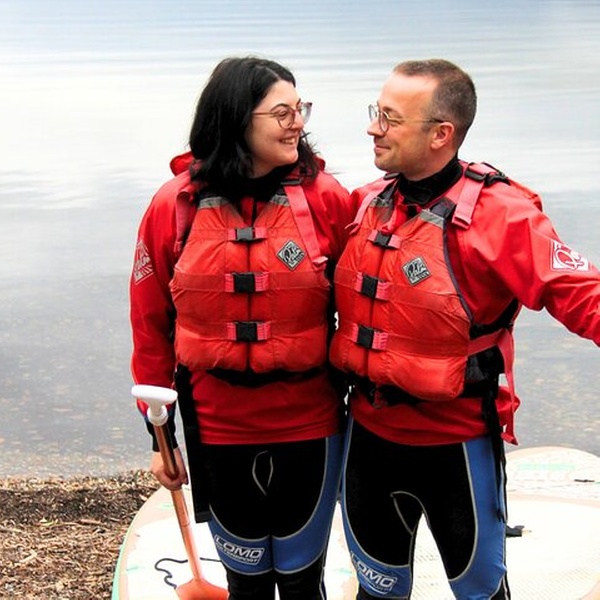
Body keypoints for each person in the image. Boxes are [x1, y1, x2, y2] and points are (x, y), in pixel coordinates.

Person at [330, 58, 600, 599]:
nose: (372, 128)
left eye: (390, 118)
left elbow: (581, 294)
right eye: (376, 112)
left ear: (441, 134)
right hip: (368, 441)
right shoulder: (364, 204)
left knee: (480, 592)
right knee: (376, 590)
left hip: (456, 447)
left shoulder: (503, 217)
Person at [129, 56, 355, 599]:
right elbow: (149, 325)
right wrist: (161, 439)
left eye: (300, 110)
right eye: (281, 112)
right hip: (215, 425)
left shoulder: (325, 199)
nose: (296, 124)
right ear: (235, 117)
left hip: (311, 423)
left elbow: (365, 310)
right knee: (246, 582)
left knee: (302, 580)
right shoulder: (174, 205)